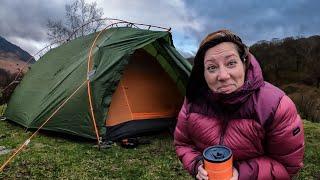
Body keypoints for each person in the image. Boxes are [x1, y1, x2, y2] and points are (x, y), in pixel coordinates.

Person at [174, 29, 304, 180]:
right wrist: (197, 165)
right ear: (202, 73)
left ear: (244, 63)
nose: (222, 76)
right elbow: (183, 144)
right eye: (211, 67)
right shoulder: (192, 101)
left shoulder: (276, 106)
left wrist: (242, 174)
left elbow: (286, 166)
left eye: (231, 63)